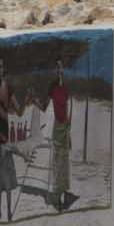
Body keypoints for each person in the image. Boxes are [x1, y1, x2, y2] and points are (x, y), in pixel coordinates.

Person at [0, 64, 21, 224]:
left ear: (4, 72)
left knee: (7, 179)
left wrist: (22, 105)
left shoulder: (9, 91)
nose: (0, 70)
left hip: (5, 137)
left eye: (2, 68)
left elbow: (18, 110)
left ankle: (9, 212)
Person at [46, 63, 74, 210]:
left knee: (65, 163)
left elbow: (68, 108)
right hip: (58, 127)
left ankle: (64, 195)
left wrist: (68, 131)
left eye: (62, 67)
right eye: (57, 67)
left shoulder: (65, 88)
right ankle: (56, 198)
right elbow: (47, 108)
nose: (60, 69)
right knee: (58, 162)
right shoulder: (53, 88)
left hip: (65, 127)